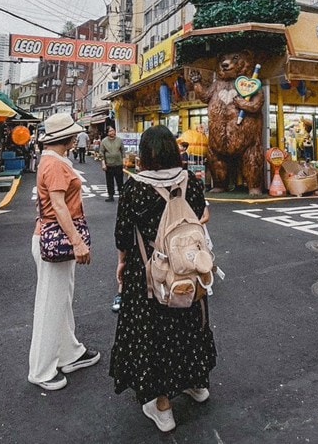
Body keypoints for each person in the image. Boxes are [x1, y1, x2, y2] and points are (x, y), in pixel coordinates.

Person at [109, 125, 217, 432]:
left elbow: (123, 235)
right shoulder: (190, 181)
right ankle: (197, 384)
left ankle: (163, 407)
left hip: (151, 275)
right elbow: (202, 215)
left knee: (153, 335)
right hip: (189, 273)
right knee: (190, 325)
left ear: (143, 155)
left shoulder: (135, 187)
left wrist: (121, 264)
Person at [28, 112, 101, 391]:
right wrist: (77, 242)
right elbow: (58, 206)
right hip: (56, 238)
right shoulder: (55, 164)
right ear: (68, 138)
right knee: (50, 304)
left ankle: (69, 353)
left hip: (50, 237)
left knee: (60, 299)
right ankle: (42, 369)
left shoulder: (51, 160)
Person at [100, 126, 125, 202]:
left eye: (113, 130)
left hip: (118, 164)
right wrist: (103, 164)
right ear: (107, 133)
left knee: (120, 181)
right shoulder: (104, 141)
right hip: (109, 165)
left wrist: (124, 161)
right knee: (109, 181)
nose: (112, 132)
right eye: (110, 131)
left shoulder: (119, 140)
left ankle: (122, 195)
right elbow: (101, 153)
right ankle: (111, 196)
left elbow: (123, 151)